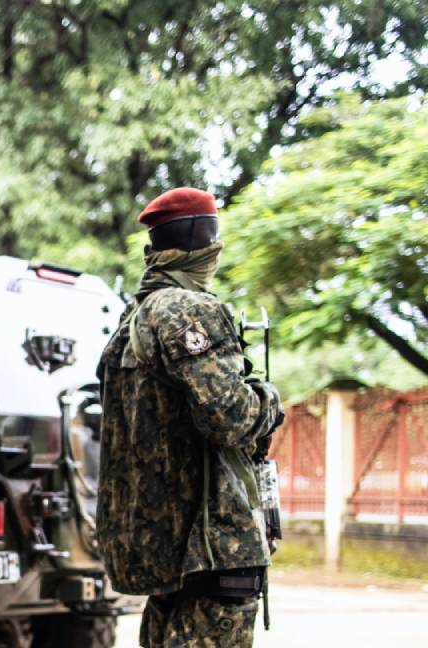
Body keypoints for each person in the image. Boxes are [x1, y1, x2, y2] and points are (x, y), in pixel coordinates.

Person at [96, 187, 283, 647]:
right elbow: (230, 416)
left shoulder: (132, 320)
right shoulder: (189, 308)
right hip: (213, 546)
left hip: (165, 548)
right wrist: (269, 401)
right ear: (206, 241)